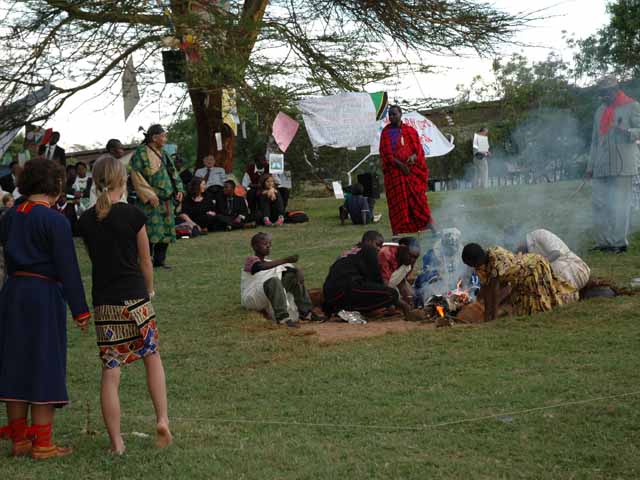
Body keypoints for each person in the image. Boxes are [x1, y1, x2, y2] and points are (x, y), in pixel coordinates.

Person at [78, 155, 171, 455]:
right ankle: (162, 418)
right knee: (151, 356)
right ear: (123, 180)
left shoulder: (86, 220)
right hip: (136, 298)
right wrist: (150, 289)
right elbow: (145, 259)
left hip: (105, 302)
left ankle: (117, 442)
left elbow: (96, 259)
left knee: (111, 370)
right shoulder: (133, 215)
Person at [0, 159, 90, 459]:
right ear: (56, 185)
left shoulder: (10, 216)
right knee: (43, 361)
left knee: (14, 361)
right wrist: (80, 310)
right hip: (42, 295)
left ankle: (20, 439)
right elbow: (68, 269)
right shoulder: (55, 220)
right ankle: (43, 443)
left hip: (12, 293)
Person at [586, 76, 640, 254]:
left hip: (623, 164)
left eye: (605, 93)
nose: (602, 97)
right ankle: (604, 242)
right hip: (601, 164)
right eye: (600, 93)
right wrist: (590, 166)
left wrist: (628, 132)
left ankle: (618, 243)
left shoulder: (632, 106)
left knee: (619, 204)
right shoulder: (599, 111)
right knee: (599, 203)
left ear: (615, 90)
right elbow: (594, 141)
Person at [461, 243, 578, 322]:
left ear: (476, 260)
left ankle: (570, 299)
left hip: (533, 268)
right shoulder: (481, 266)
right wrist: (486, 315)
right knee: (523, 310)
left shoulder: (497, 260)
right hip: (518, 278)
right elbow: (486, 290)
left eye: (469, 264)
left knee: (538, 307)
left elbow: (494, 292)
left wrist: (493, 319)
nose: (469, 267)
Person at [323, 230, 418, 320]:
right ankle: (358, 310)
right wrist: (402, 306)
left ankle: (344, 310)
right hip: (346, 289)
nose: (379, 249)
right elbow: (377, 282)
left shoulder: (349, 251)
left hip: (330, 294)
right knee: (391, 294)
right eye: (378, 245)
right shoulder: (369, 249)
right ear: (368, 241)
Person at [130, 125, 184, 269]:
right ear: (154, 137)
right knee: (149, 232)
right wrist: (149, 195)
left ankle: (160, 261)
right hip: (151, 200)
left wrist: (179, 189)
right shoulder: (140, 153)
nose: (165, 139)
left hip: (167, 200)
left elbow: (173, 172)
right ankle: (145, 261)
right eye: (163, 136)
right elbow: (136, 176)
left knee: (165, 231)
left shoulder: (164, 153)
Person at [241, 232, 322, 328]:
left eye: (269, 244)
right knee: (273, 281)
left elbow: (283, 271)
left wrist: (297, 271)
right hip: (253, 297)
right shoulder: (251, 260)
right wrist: (285, 260)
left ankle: (306, 312)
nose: (268, 246)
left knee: (292, 277)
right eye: (265, 244)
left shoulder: (270, 262)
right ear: (254, 247)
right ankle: (283, 318)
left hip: (266, 294)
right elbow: (261, 266)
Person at [379, 105, 434, 235]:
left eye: (394, 114)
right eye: (390, 115)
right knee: (397, 203)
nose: (392, 117)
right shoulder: (386, 133)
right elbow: (386, 154)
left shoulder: (410, 131)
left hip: (412, 173)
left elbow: (418, 150)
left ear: (400, 114)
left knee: (419, 200)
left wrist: (413, 157)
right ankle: (396, 232)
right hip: (395, 174)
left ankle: (431, 227)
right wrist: (400, 165)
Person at [506, 228, 591, 291]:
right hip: (561, 283)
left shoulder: (540, 234)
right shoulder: (524, 252)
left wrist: (536, 264)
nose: (516, 251)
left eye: (515, 246)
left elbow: (556, 253)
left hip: (575, 272)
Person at [378, 237, 421, 303]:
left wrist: (411, 298)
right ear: (402, 249)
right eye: (410, 256)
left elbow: (401, 282)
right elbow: (384, 286)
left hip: (389, 287)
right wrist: (402, 304)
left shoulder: (408, 263)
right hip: (376, 287)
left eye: (415, 257)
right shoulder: (385, 253)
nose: (412, 260)